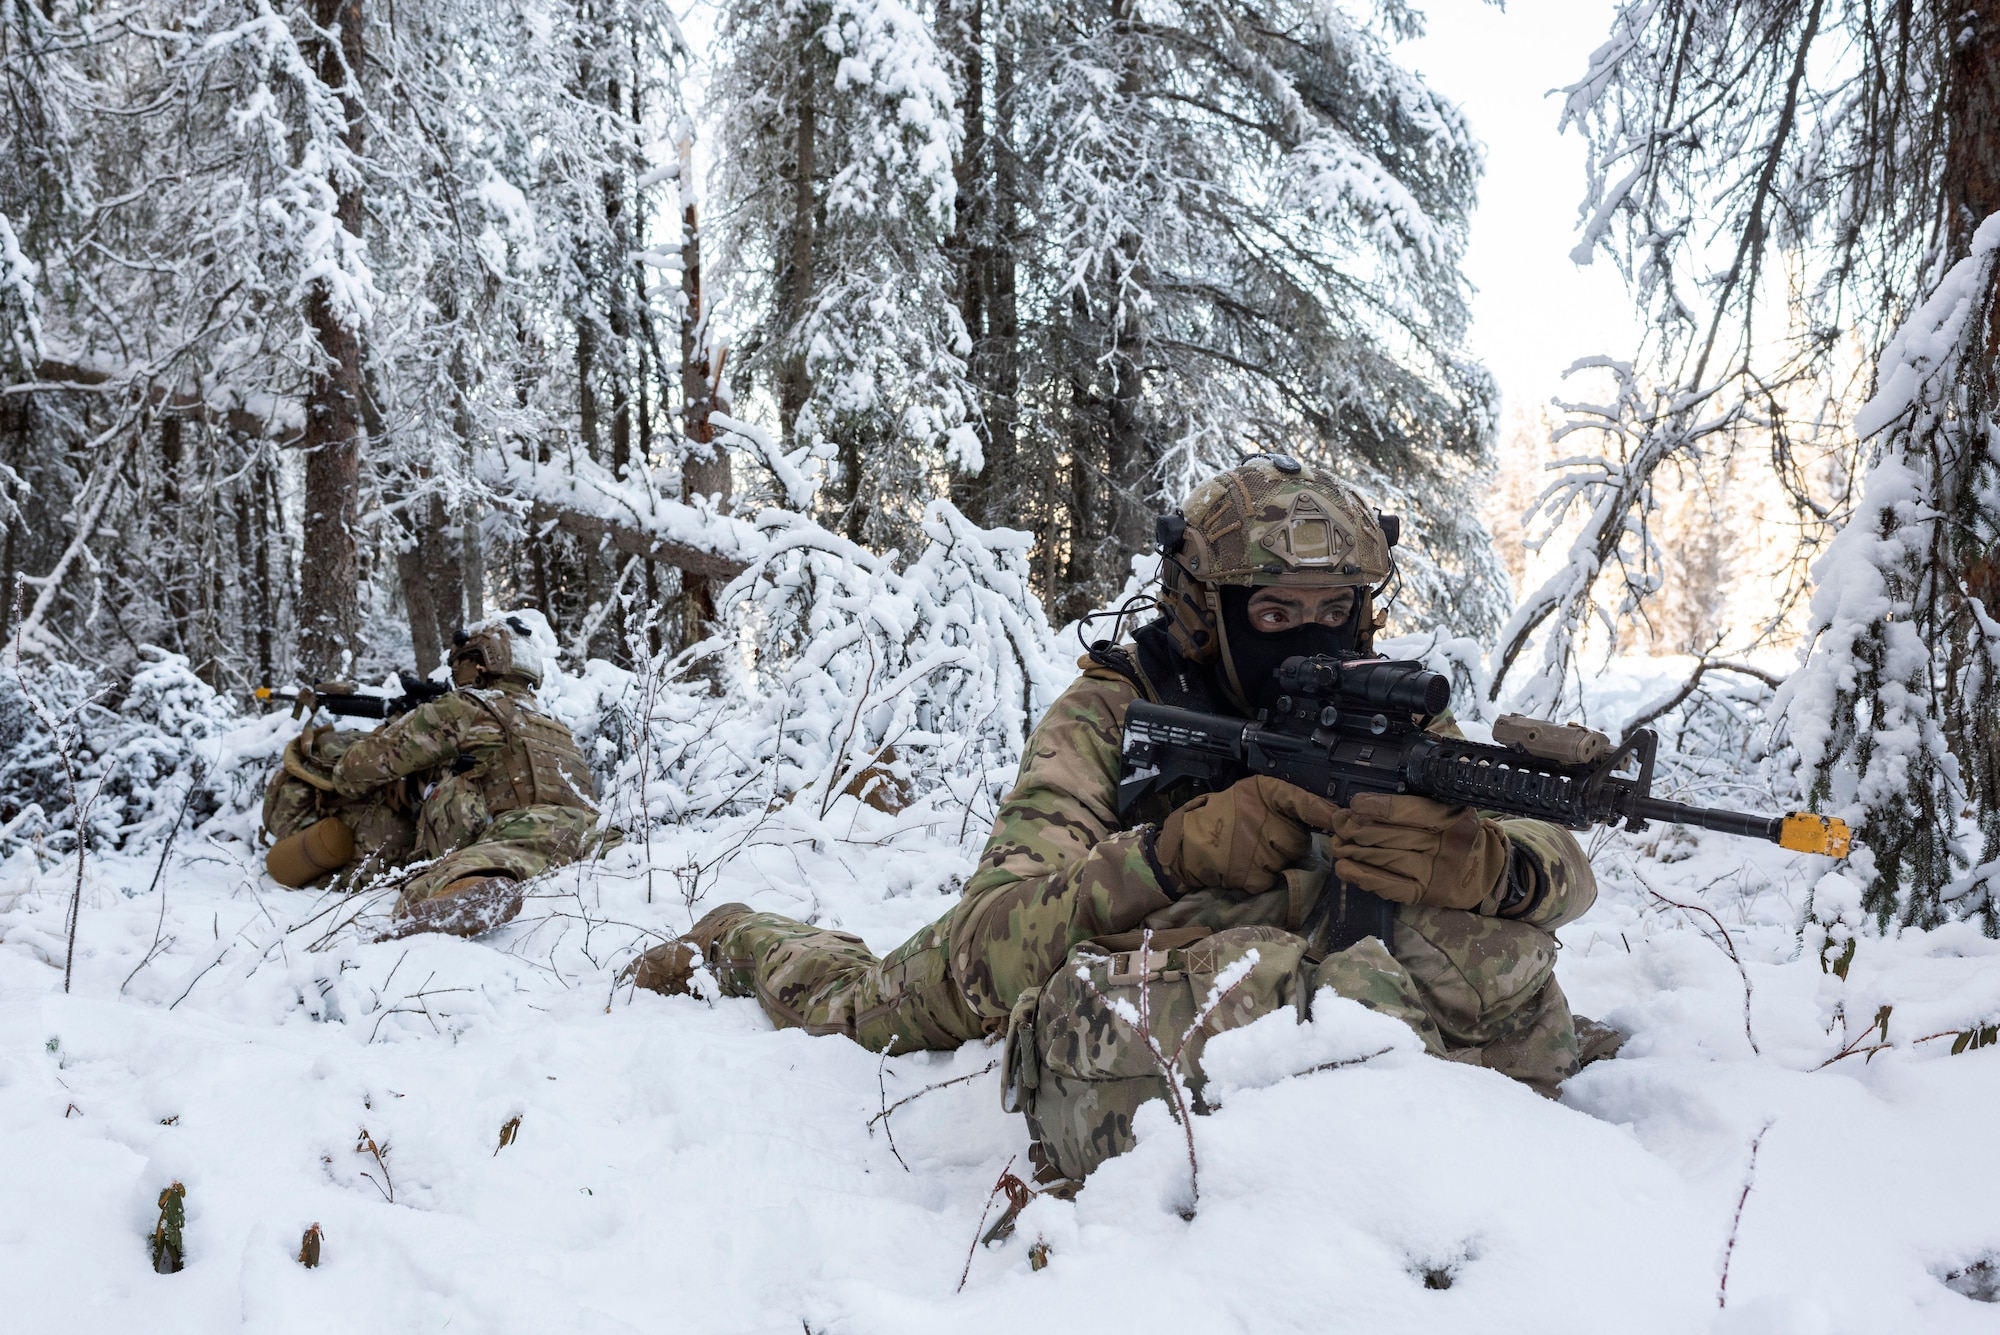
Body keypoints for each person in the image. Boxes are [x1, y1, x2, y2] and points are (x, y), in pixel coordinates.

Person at [629, 459, 1604, 1099]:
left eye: (1334, 609)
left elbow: (1553, 869)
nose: (1312, 635)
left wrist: (1486, 870)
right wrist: (1168, 855)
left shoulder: (1387, 707)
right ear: (1207, 610)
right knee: (873, 1005)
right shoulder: (1111, 714)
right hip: (1137, 960)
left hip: (1295, 972)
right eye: (1274, 615)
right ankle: (742, 938)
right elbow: (980, 948)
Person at [266, 614, 607, 938]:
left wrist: (396, 731)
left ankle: (473, 889)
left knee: (429, 888)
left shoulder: (464, 707)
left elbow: (352, 773)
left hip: (510, 837)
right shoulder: (555, 727)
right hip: (592, 841)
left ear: (479, 663)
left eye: (459, 663)